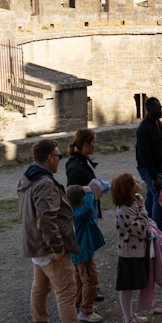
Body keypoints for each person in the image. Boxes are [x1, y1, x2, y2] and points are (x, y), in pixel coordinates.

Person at [17, 139, 109, 323]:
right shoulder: (44, 183)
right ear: (49, 158)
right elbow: (46, 218)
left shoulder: (27, 178)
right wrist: (57, 246)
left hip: (36, 246)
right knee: (66, 293)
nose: (59, 159)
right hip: (49, 249)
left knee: (40, 288)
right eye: (58, 156)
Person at [66, 128, 106, 302]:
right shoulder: (75, 166)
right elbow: (73, 195)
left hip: (89, 209)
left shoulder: (83, 161)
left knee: (87, 251)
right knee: (84, 256)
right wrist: (91, 199)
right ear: (85, 144)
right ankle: (87, 290)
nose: (95, 145)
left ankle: (86, 288)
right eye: (93, 142)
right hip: (85, 213)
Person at [111, 172, 151, 323]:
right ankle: (127, 320)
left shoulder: (133, 203)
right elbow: (140, 228)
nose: (139, 182)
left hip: (137, 251)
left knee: (131, 285)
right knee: (126, 287)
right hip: (129, 254)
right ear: (128, 188)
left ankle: (129, 313)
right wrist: (142, 208)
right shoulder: (124, 210)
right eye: (135, 181)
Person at [135, 97, 162, 249]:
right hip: (149, 168)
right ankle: (159, 234)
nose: (160, 110)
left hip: (156, 166)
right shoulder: (144, 129)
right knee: (159, 197)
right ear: (148, 109)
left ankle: (148, 227)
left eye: (160, 107)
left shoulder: (156, 123)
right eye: (157, 108)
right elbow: (144, 155)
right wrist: (153, 176)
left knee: (151, 195)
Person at [66, 181, 107, 323]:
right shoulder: (78, 213)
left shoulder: (71, 212)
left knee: (79, 281)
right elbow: (88, 208)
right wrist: (89, 192)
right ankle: (86, 311)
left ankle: (78, 305)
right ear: (79, 199)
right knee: (90, 280)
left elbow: (87, 208)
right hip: (83, 253)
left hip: (76, 254)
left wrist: (92, 197)